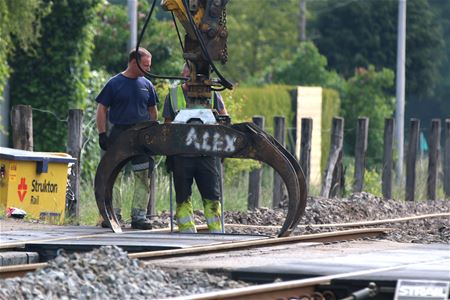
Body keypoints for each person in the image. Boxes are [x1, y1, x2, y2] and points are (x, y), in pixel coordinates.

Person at [96, 47, 158, 230]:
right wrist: (102, 133)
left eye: (149, 65)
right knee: (113, 176)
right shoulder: (114, 83)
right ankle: (112, 213)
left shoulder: (147, 85)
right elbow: (101, 109)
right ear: (133, 62)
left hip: (141, 136)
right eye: (146, 65)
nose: (148, 69)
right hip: (119, 134)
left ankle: (139, 217)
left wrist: (152, 134)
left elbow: (152, 111)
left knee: (143, 176)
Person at [163, 63, 227, 233]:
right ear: (184, 73)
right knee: (183, 197)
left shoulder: (212, 94)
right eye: (189, 71)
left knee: (212, 197)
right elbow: (167, 125)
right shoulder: (174, 94)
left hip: (207, 156)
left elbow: (224, 120)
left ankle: (216, 231)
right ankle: (186, 232)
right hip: (181, 156)